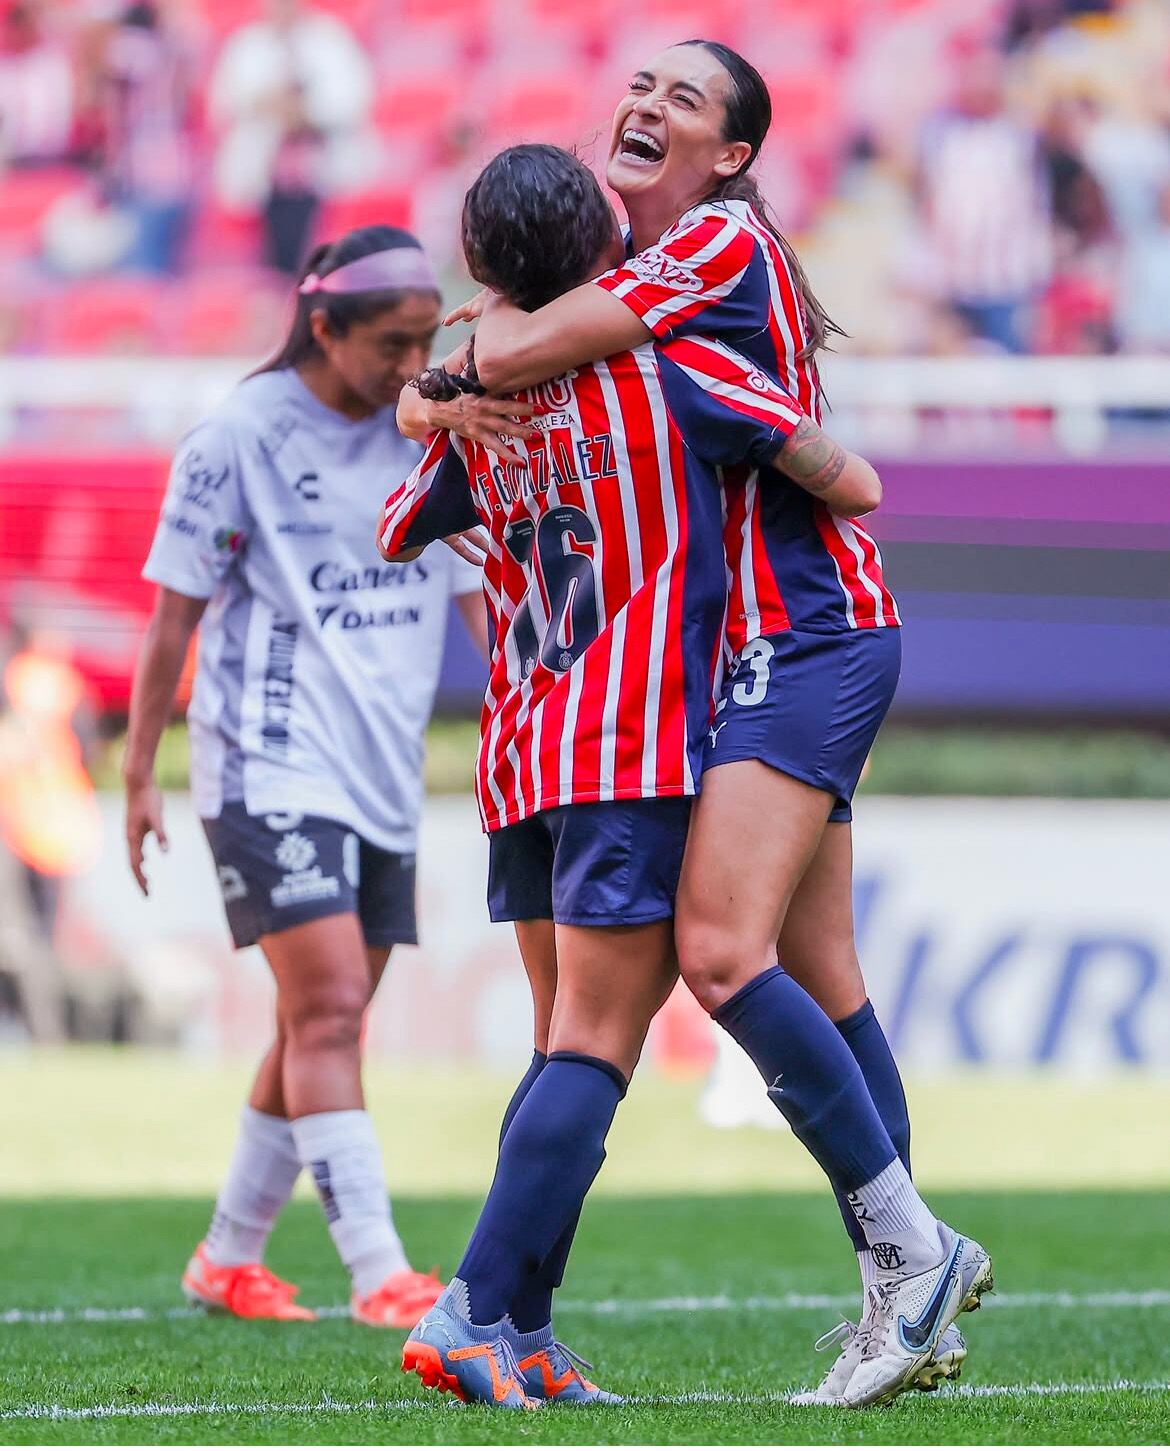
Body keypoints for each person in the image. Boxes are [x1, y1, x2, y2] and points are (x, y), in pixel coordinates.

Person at [384, 143, 986, 1412]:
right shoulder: (678, 363)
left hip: (522, 743)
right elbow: (854, 481)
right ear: (605, 257)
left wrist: (443, 397)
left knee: (590, 1028)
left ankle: (518, 1319)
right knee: (630, 1022)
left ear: (485, 269)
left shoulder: (477, 392)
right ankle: (487, 1308)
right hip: (638, 736)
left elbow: (402, 520)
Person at [124, 224, 494, 1328]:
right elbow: (171, 617)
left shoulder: (432, 435)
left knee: (312, 1023)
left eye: (427, 339)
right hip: (266, 759)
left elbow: (483, 603)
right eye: (391, 342)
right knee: (330, 1005)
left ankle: (227, 1257)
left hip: (381, 769)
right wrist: (141, 771)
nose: (410, 362)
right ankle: (382, 1272)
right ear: (322, 326)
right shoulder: (236, 436)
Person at [207, 0, 376, 274]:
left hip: (320, 171)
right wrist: (268, 104)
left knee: (323, 257)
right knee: (271, 267)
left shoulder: (330, 40)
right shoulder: (247, 45)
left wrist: (300, 110)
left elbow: (350, 99)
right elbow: (225, 105)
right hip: (267, 177)